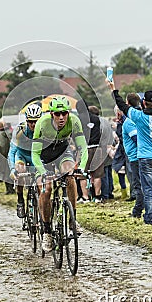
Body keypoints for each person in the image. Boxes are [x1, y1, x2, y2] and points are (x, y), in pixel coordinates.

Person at [107, 80, 152, 226]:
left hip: (145, 158)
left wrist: (113, 89)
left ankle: (150, 218)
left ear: (144, 102)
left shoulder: (137, 116)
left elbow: (122, 105)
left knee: (147, 189)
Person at [31, 95, 88, 252]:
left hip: (63, 152)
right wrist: (42, 172)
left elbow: (82, 148)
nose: (61, 117)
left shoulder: (74, 121)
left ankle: (72, 219)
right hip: (43, 156)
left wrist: (81, 167)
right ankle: (47, 232)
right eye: (57, 114)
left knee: (70, 175)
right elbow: (34, 154)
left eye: (64, 113)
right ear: (51, 114)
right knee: (46, 188)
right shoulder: (42, 124)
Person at [8, 103, 42, 218]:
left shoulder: (44, 130)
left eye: (36, 121)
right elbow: (12, 152)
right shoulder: (20, 130)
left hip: (37, 157)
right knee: (20, 169)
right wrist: (12, 169)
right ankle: (20, 200)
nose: (33, 124)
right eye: (30, 121)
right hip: (22, 156)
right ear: (26, 120)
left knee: (41, 183)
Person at [76, 99, 106, 203]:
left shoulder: (78, 119)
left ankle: (85, 197)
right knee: (97, 174)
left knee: (82, 174)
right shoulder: (96, 118)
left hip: (85, 149)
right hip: (97, 148)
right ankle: (97, 197)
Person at [0, 121, 14, 194]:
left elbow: (1, 147)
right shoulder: (10, 132)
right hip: (11, 156)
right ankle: (12, 189)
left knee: (6, 173)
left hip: (4, 157)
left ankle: (9, 190)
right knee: (10, 173)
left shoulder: (1, 134)